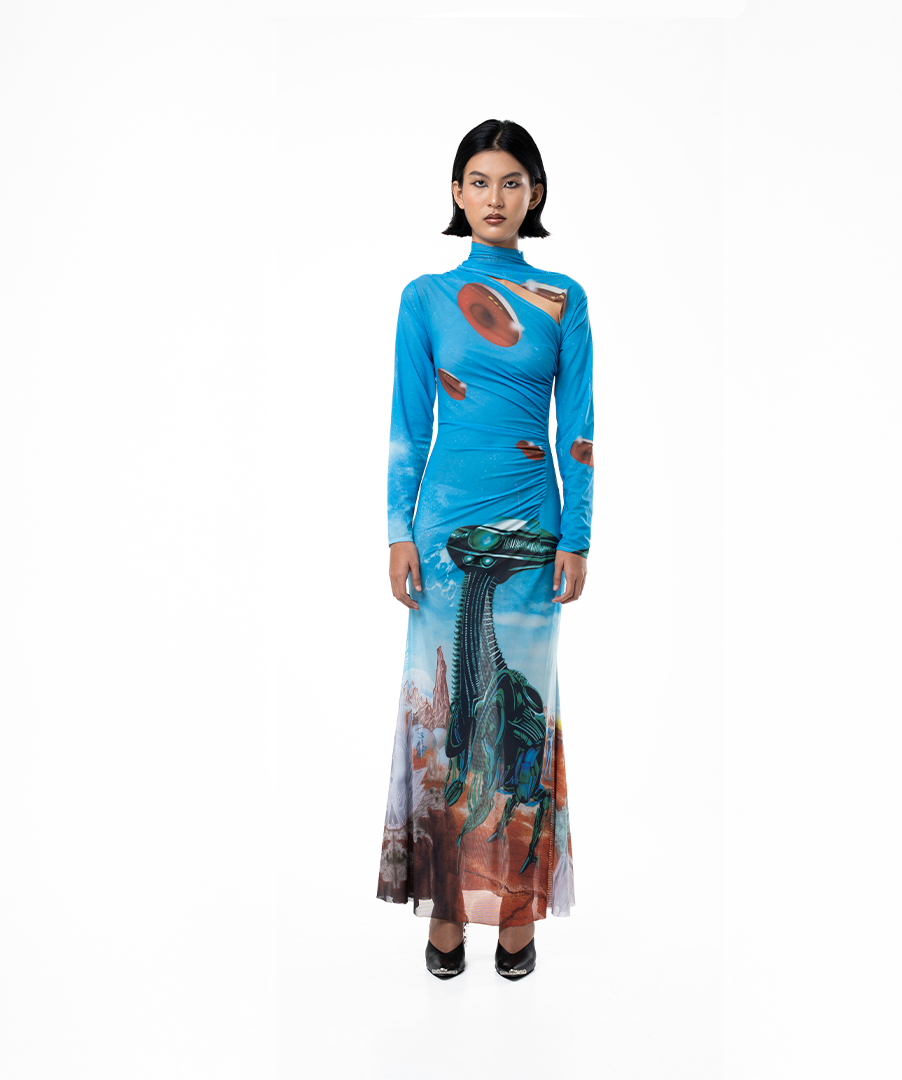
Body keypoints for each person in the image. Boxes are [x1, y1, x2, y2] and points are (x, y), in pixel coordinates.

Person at [374, 118, 595, 981]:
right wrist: (398, 529)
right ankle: (443, 907)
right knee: (445, 713)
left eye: (511, 181)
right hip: (444, 527)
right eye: (478, 180)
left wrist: (578, 534)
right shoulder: (425, 296)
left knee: (523, 714)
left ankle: (515, 911)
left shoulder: (563, 298)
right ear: (456, 193)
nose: (494, 197)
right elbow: (407, 423)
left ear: (534, 194)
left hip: (532, 523)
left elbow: (577, 426)